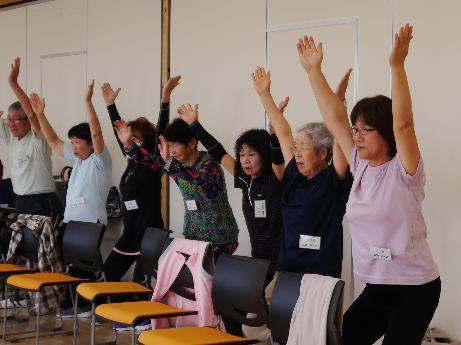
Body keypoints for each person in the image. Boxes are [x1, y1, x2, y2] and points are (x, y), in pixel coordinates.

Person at [298, 24, 440, 344]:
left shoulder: (405, 170)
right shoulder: (360, 164)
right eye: (356, 129)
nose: (356, 136)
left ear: (385, 133)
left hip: (415, 288)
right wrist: (313, 72)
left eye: (365, 130)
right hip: (378, 287)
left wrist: (397, 66)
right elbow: (334, 120)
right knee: (340, 339)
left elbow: (403, 123)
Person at [252, 65, 352, 279]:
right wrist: (264, 95)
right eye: (295, 148)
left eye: (303, 148)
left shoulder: (334, 179)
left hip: (322, 276)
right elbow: (283, 131)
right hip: (286, 271)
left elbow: (340, 134)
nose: (296, 153)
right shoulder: (294, 174)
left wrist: (339, 101)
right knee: (259, 312)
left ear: (323, 153)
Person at [177, 99, 289, 284]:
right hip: (259, 261)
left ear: (264, 156)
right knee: (251, 308)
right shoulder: (245, 179)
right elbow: (218, 152)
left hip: (282, 262)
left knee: (265, 309)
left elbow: (278, 157)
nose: (245, 160)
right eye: (242, 154)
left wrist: (275, 130)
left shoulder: (275, 178)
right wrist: (194, 125)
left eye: (251, 154)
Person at [29, 80, 112, 317]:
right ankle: (72, 301)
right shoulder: (77, 162)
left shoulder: (99, 162)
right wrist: (40, 115)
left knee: (84, 265)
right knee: (68, 263)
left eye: (78, 142)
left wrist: (88, 102)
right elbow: (53, 140)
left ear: (89, 144)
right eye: (72, 142)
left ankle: (85, 305)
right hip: (71, 221)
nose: (73, 147)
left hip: (90, 223)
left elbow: (96, 132)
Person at [115, 110, 239, 258]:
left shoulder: (208, 163)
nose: (171, 151)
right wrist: (129, 145)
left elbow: (198, 181)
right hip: (193, 236)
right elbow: (150, 160)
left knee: (207, 280)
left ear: (192, 143)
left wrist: (168, 162)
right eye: (169, 145)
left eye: (175, 145)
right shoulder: (175, 164)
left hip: (220, 238)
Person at [101, 76, 180, 283]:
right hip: (131, 233)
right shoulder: (132, 162)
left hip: (149, 233)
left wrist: (165, 97)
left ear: (147, 142)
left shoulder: (152, 163)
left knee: (139, 286)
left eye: (135, 139)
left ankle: (144, 315)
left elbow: (160, 130)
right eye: (129, 139)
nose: (129, 143)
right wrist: (110, 105)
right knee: (107, 275)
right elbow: (120, 132)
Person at [0, 58, 62, 218]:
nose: (11, 123)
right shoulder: (11, 138)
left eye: (16, 119)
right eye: (9, 119)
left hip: (42, 202)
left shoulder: (38, 137)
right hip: (20, 201)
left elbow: (33, 115)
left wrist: (13, 83)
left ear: (27, 121)